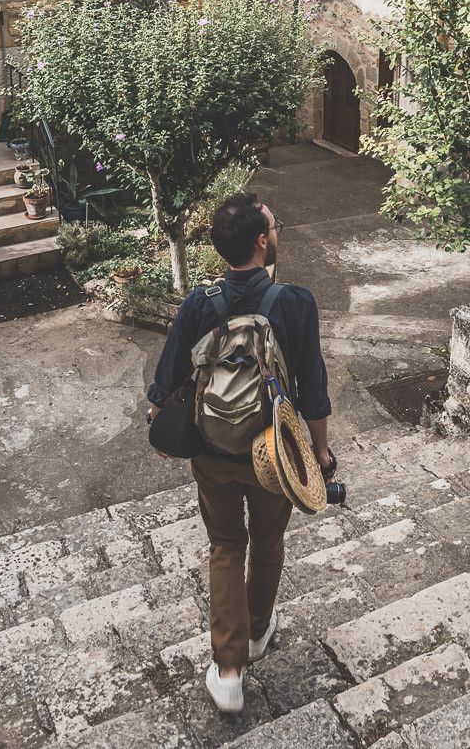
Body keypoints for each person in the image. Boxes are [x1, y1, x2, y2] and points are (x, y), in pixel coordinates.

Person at [147, 191, 333, 714]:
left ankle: (228, 670)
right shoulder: (296, 303)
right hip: (273, 454)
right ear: (260, 241)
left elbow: (164, 386)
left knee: (226, 545)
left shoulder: (199, 304)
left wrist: (164, 428)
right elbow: (315, 391)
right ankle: (255, 632)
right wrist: (318, 453)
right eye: (272, 226)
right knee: (269, 539)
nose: (276, 232)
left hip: (213, 452)